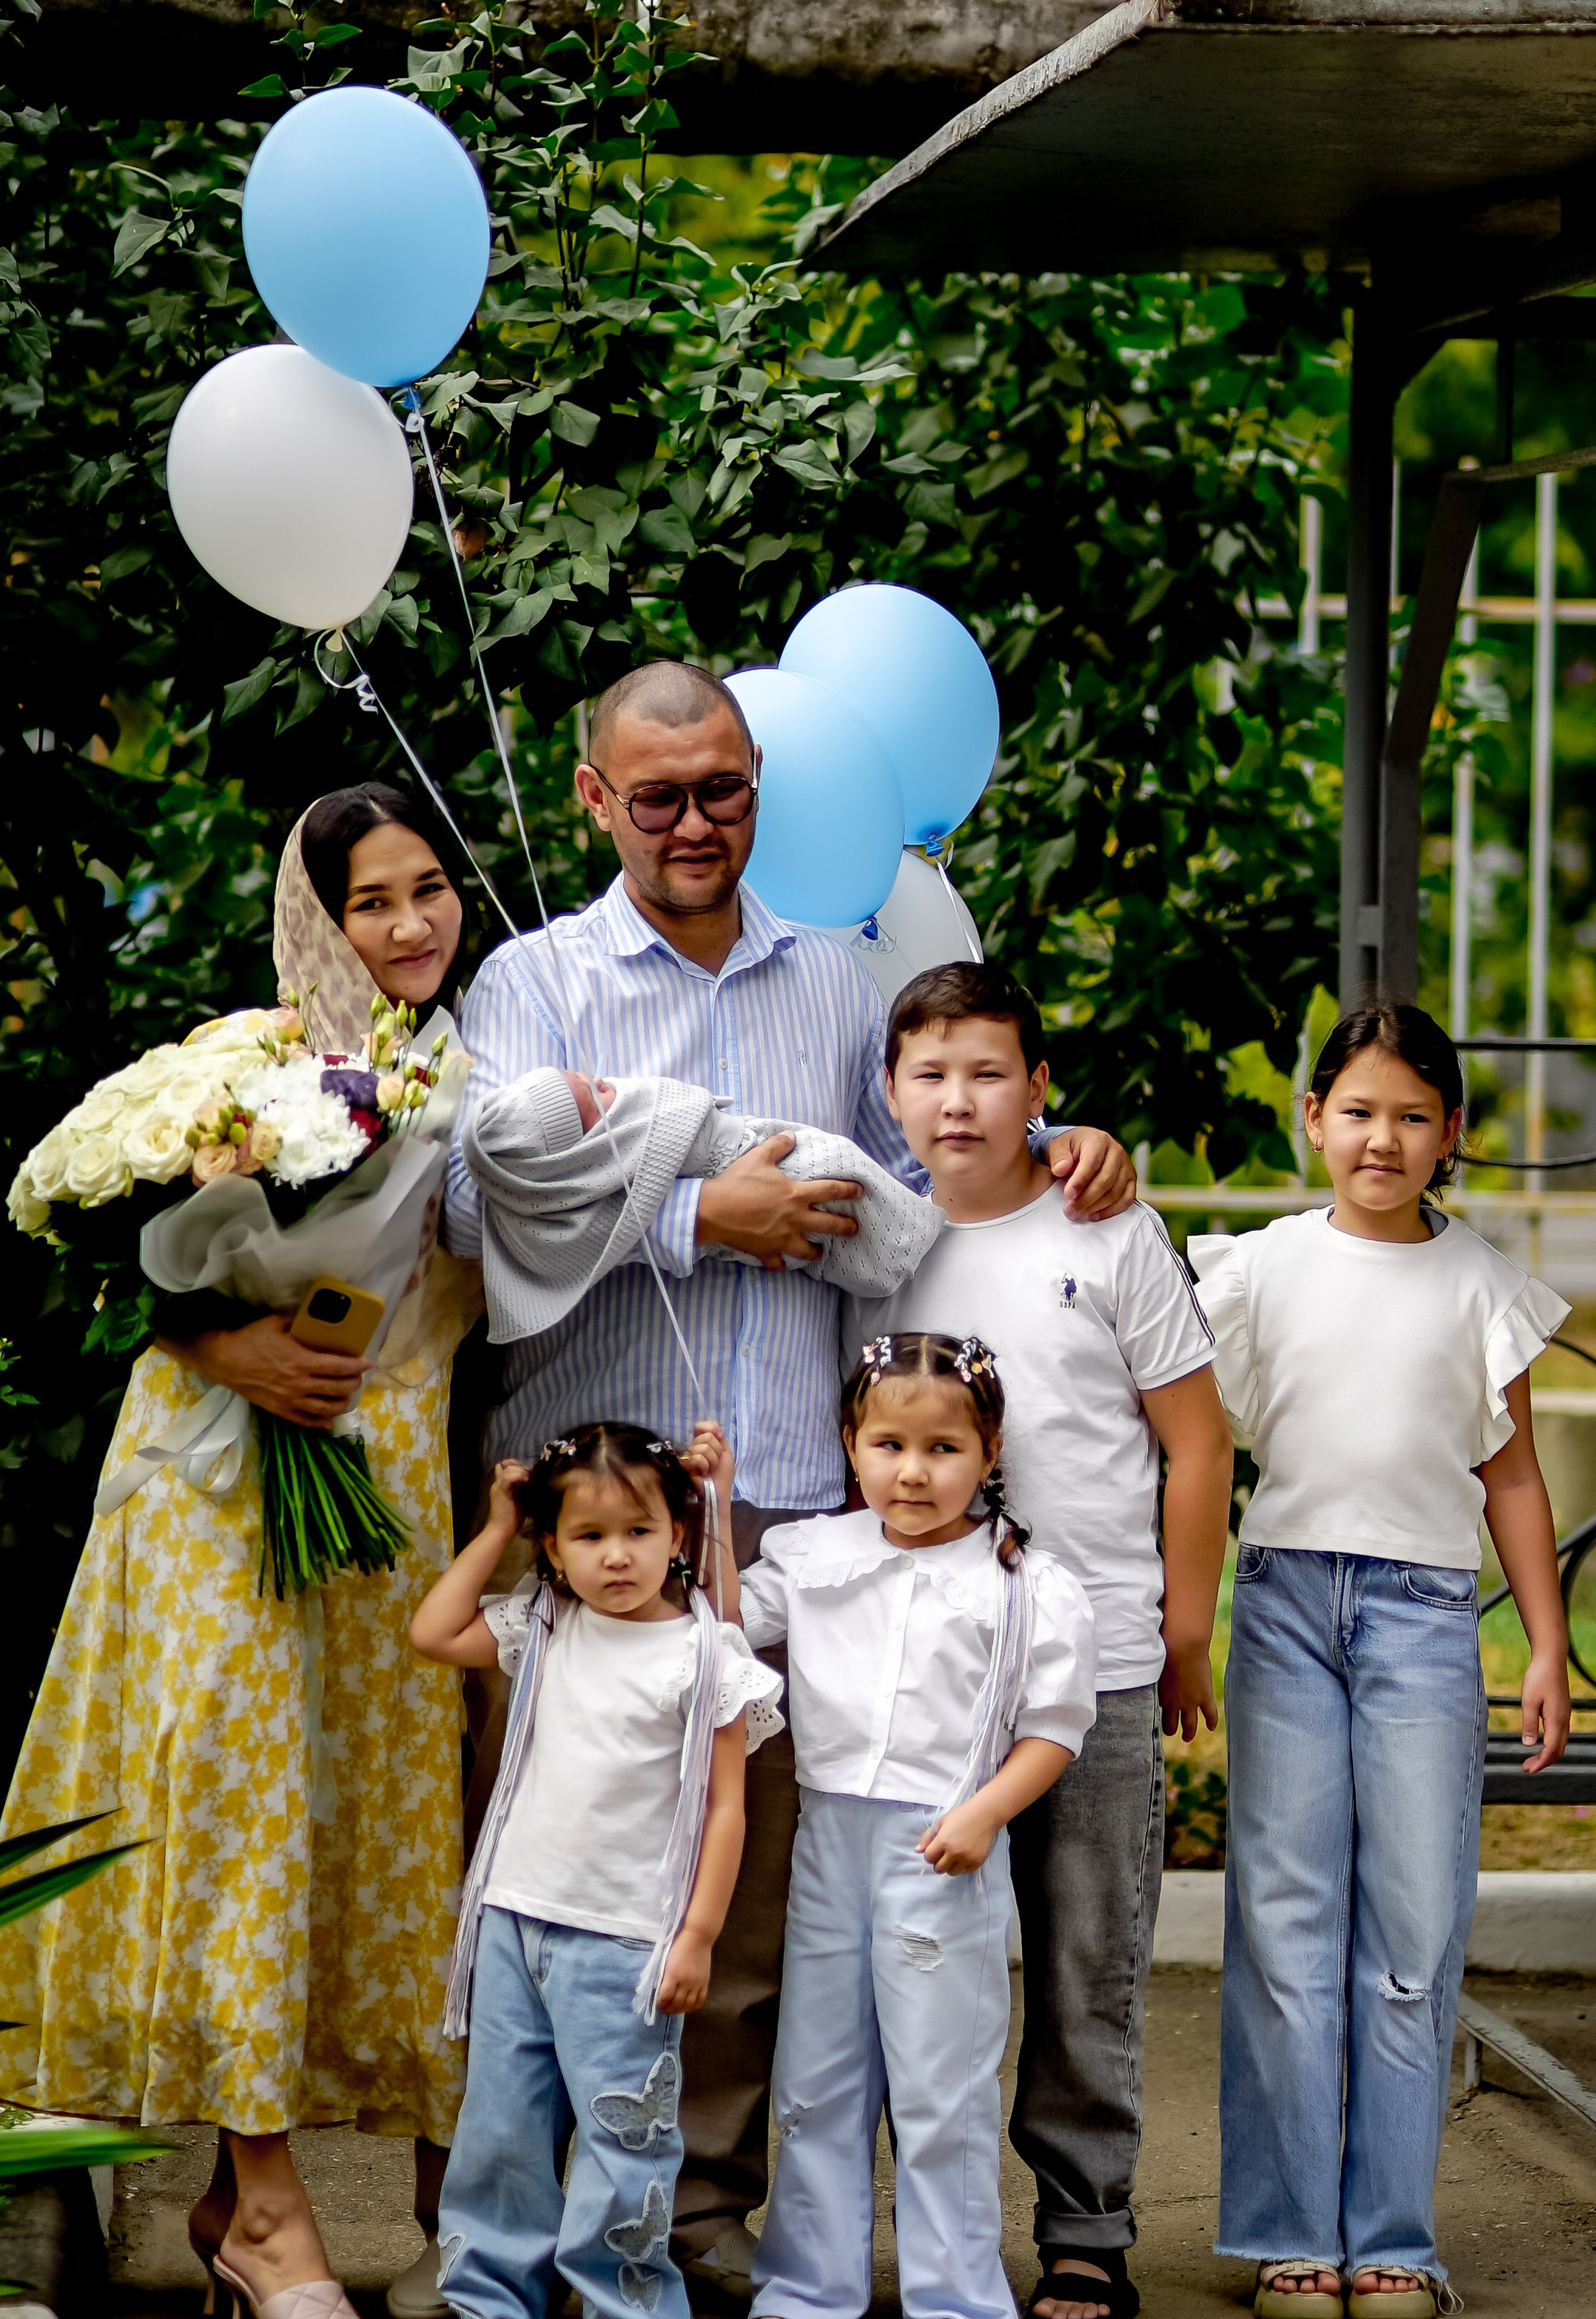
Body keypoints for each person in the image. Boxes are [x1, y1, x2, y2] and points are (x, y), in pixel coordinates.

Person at [442, 657, 1137, 2287]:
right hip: (594, 1509)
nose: (695, 821)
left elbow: (925, 1175)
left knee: (739, 1897)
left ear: (758, 782)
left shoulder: (837, 981)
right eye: (658, 793)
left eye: (723, 787)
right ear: (595, 800)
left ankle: (699, 2223)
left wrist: (1066, 1150)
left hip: (798, 1513)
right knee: (554, 1863)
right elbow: (479, 1208)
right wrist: (698, 1214)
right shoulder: (530, 983)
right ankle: (525, 2222)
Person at [0, 784, 486, 2319]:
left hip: (380, 1482)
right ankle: (266, 2207)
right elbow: (142, 1275)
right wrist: (216, 1324)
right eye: (372, 899)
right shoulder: (245, 1071)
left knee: (352, 1831)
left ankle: (226, 2199)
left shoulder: (471, 1076)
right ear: (316, 917)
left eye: (428, 887)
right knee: (231, 1811)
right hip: (216, 1483)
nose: (409, 923)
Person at [853, 961, 1233, 2319]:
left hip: (1100, 1659)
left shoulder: (1109, 1228)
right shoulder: (872, 1239)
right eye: (929, 1073)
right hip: (924, 1664)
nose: (958, 1100)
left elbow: (1195, 1441)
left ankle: (1086, 2224)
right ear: (888, 1088)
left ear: (1039, 1086)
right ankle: (938, 2229)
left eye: (988, 1071)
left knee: (1086, 1956)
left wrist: (1182, 1626)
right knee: (924, 1961)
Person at [1189, 1001, 1572, 2319]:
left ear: (1449, 1133)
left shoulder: (1480, 1282)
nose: (1381, 1135)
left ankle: (1394, 2240)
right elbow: (1181, 1437)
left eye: (1413, 1113)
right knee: (1286, 1924)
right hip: (1285, 1605)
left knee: (1411, 1925)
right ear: (1313, 1119)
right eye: (1355, 1107)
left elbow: (1509, 1472)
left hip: (1421, 1618)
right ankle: (1294, 2231)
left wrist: (1547, 1645)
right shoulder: (1255, 1270)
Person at [730, 1331, 1095, 2319]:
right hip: (828, 1844)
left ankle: (953, 2294)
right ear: (850, 1441)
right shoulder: (810, 1554)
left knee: (941, 2084)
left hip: (942, 1846)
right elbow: (717, 1624)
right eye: (887, 1443)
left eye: (942, 1448)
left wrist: (983, 1812)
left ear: (988, 1452)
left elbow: (1052, 1724)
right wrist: (702, 1501)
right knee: (816, 2073)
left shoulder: (1020, 1582)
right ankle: (809, 2287)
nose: (912, 1470)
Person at [407, 1416, 780, 2319]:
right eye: (589, 1535)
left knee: (624, 2143)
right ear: (552, 1544)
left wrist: (695, 1937)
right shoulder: (542, 1627)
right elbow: (430, 1630)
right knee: (500, 2131)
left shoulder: (702, 1653)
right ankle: (491, 2298)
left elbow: (726, 1807)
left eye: (639, 1532)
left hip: (625, 1943)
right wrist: (497, 1525)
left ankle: (625, 2303)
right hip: (513, 1921)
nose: (616, 1557)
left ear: (677, 1536)